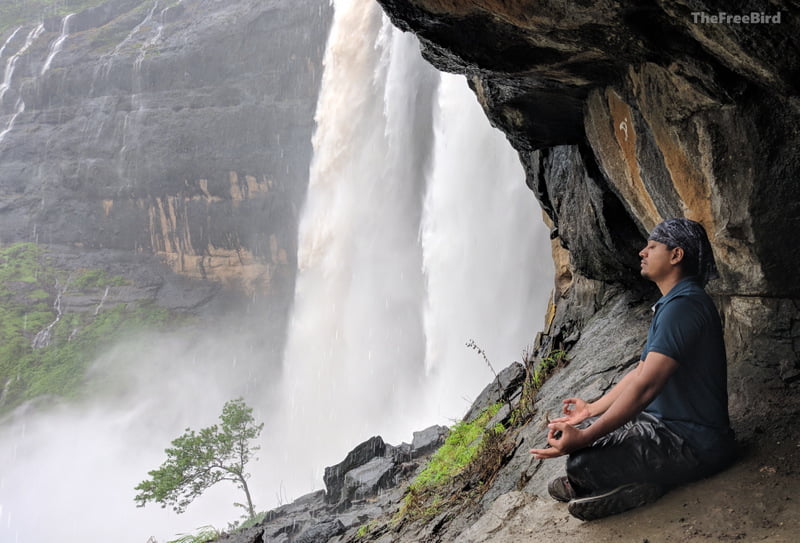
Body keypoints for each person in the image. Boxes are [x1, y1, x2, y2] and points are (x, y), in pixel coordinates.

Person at [530, 217, 736, 521]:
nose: (642, 252)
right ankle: (600, 478)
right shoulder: (675, 303)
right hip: (665, 426)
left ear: (676, 255)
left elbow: (646, 388)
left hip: (693, 443)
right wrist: (590, 411)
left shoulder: (684, 307)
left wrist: (585, 438)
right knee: (585, 440)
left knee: (581, 460)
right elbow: (639, 373)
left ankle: (635, 484)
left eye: (652, 246)